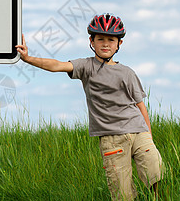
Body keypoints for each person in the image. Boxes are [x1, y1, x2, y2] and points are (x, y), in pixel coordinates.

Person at [16, 13, 163, 200]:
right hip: (112, 139)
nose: (106, 44)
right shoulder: (86, 66)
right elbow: (57, 65)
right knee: (122, 193)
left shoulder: (127, 73)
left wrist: (149, 136)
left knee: (156, 172)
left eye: (111, 40)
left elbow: (140, 106)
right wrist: (28, 59)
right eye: (100, 39)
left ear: (119, 44)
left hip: (139, 132)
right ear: (91, 41)